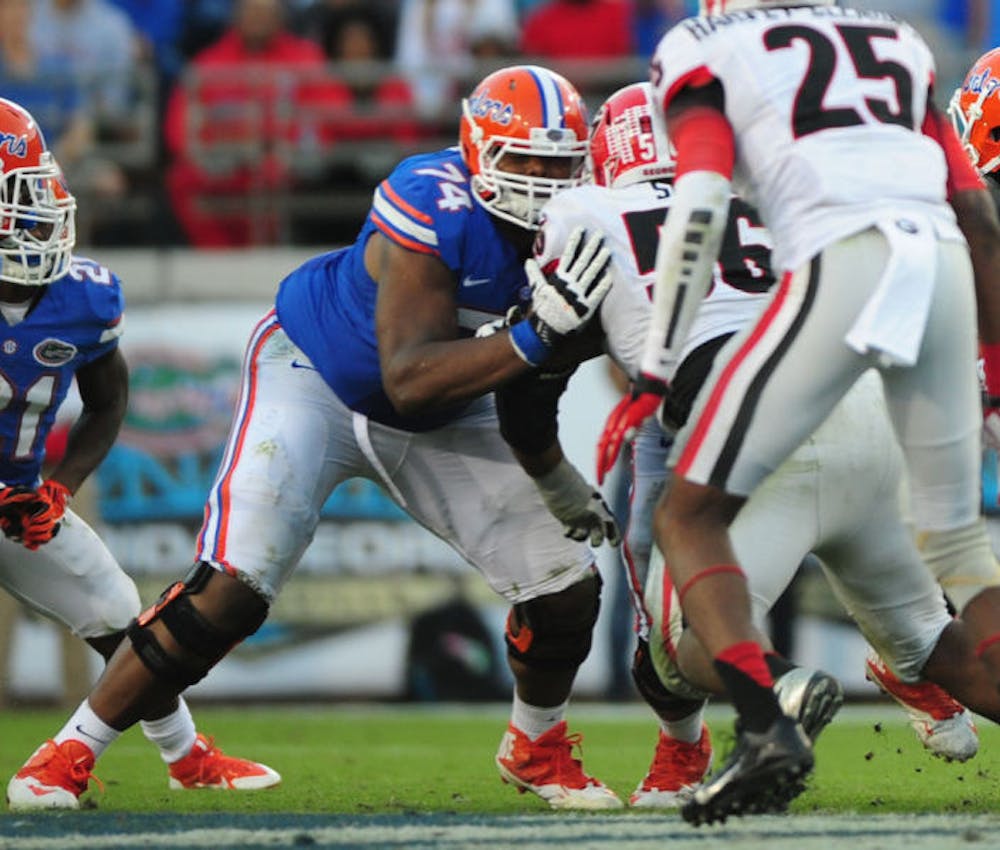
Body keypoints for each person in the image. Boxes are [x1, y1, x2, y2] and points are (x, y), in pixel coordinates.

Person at [8, 65, 625, 812]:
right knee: (229, 594)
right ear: (478, 146)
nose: (543, 182)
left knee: (566, 586)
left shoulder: (592, 236)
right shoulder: (435, 198)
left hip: (446, 409)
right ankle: (68, 752)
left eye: (559, 166)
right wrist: (534, 334)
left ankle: (538, 744)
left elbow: (530, 383)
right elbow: (408, 375)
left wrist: (554, 475)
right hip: (317, 375)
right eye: (525, 160)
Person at [603, 0, 1000, 825]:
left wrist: (651, 370)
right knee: (950, 608)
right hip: (917, 310)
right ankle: (897, 672)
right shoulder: (896, 38)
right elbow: (977, 218)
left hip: (830, 296)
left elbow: (702, 202)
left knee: (686, 526)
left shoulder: (702, 52)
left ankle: (766, 719)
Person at [0, 97, 279, 812]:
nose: (40, 214)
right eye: (17, 201)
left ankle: (185, 757)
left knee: (119, 610)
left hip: (14, 503)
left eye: (36, 194)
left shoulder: (80, 300)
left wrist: (58, 487)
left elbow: (107, 402)